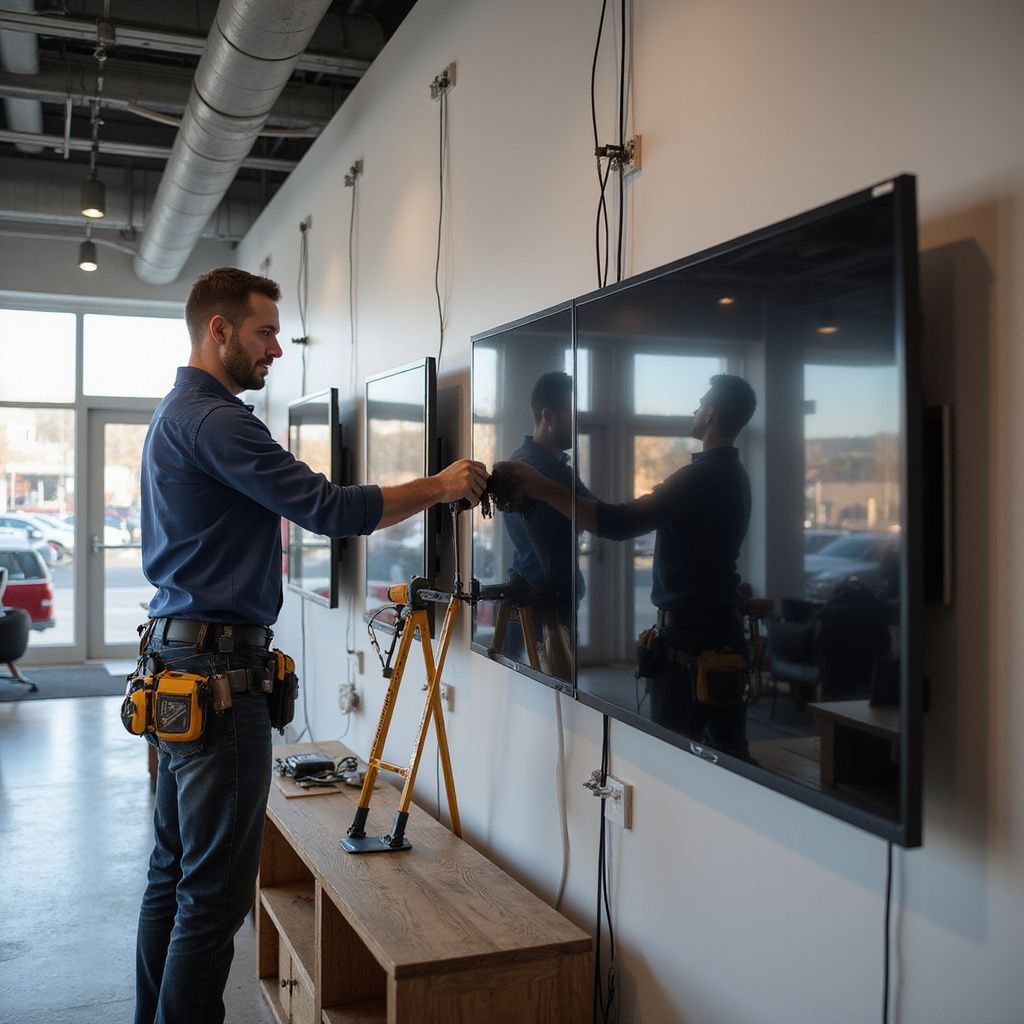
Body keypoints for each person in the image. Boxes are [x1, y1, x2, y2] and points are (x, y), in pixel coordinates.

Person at [134, 266, 487, 1024]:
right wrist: (441, 485)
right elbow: (329, 509)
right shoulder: (218, 421)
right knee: (213, 894)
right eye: (264, 332)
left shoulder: (174, 413)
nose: (275, 349)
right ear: (219, 330)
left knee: (173, 875)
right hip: (217, 676)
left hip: (175, 668)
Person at [509, 374, 756, 756]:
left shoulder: (699, 478)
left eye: (700, 403)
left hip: (692, 643)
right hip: (716, 634)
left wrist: (543, 488)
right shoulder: (734, 475)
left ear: (710, 415)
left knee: (671, 758)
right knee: (726, 756)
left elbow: (616, 522)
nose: (694, 408)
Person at [499, 371, 594, 677]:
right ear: (549, 416)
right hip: (546, 609)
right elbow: (598, 516)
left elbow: (589, 513)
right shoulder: (543, 471)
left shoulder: (527, 461)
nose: (578, 424)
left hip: (532, 599)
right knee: (557, 698)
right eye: (572, 415)